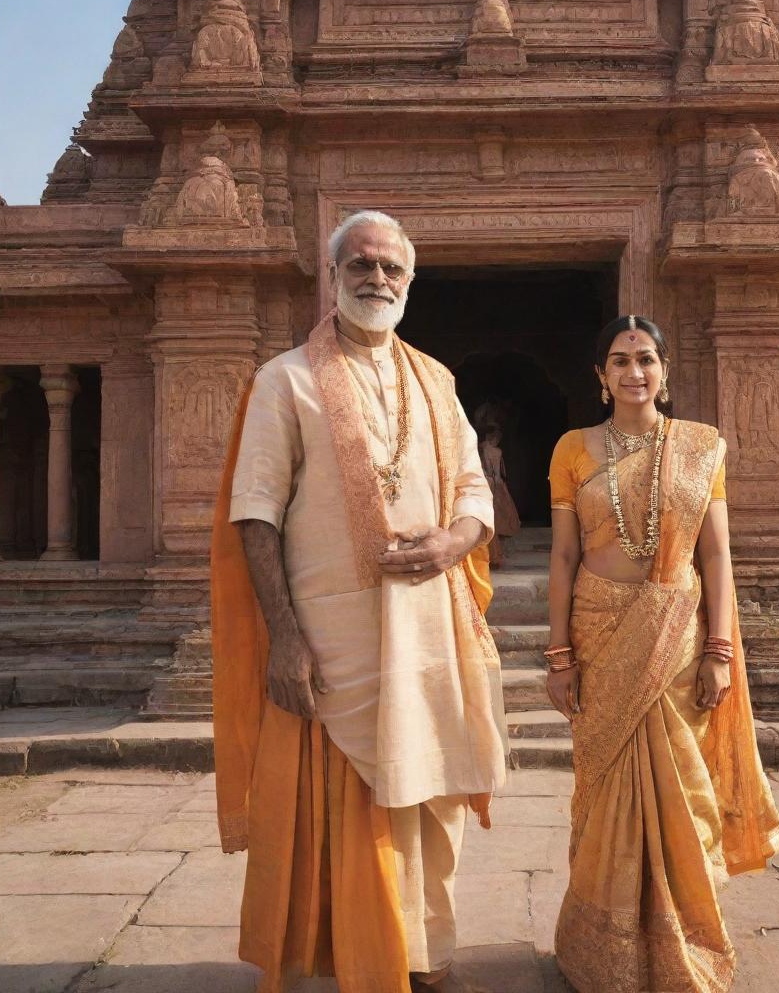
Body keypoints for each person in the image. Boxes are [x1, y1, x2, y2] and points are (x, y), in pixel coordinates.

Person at [210, 210, 508, 993]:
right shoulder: (287, 379)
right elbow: (255, 510)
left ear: (410, 282)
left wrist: (457, 540)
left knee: (433, 794)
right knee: (349, 808)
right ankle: (351, 957)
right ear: (333, 276)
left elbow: (474, 489)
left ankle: (423, 955)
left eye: (392, 269)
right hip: (334, 635)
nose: (377, 279)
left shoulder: (436, 379)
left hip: (432, 633)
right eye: (362, 265)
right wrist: (284, 637)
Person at [546, 315, 779, 992]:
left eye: (646, 358)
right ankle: (602, 950)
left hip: (678, 633)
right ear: (600, 377)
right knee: (605, 789)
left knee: (682, 784)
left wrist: (719, 648)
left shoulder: (700, 447)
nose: (634, 371)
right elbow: (563, 556)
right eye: (620, 360)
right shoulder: (572, 448)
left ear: (665, 371)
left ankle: (685, 936)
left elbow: (716, 554)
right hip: (597, 630)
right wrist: (559, 655)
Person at [478, 423, 521, 567]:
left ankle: (491, 555)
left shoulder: (479, 447)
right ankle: (495, 555)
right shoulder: (496, 451)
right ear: (494, 437)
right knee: (499, 516)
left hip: (479, 482)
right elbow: (496, 474)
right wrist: (498, 490)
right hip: (492, 483)